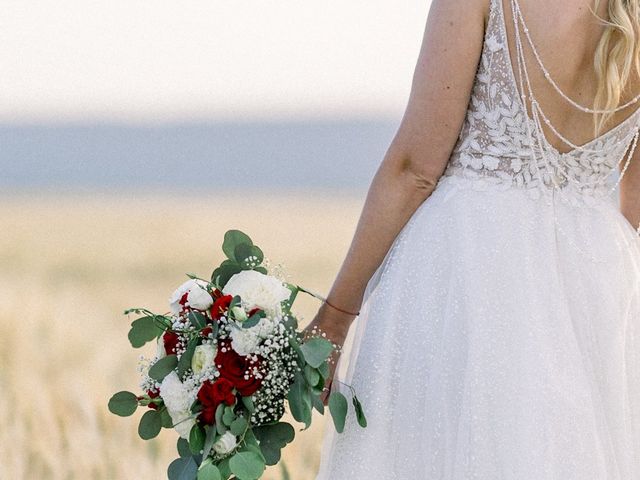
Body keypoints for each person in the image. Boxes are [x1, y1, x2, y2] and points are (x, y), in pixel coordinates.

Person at [303, 0, 640, 477]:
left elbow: (414, 170)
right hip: (600, 278)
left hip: (470, 274)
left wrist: (335, 318)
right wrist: (596, 290)